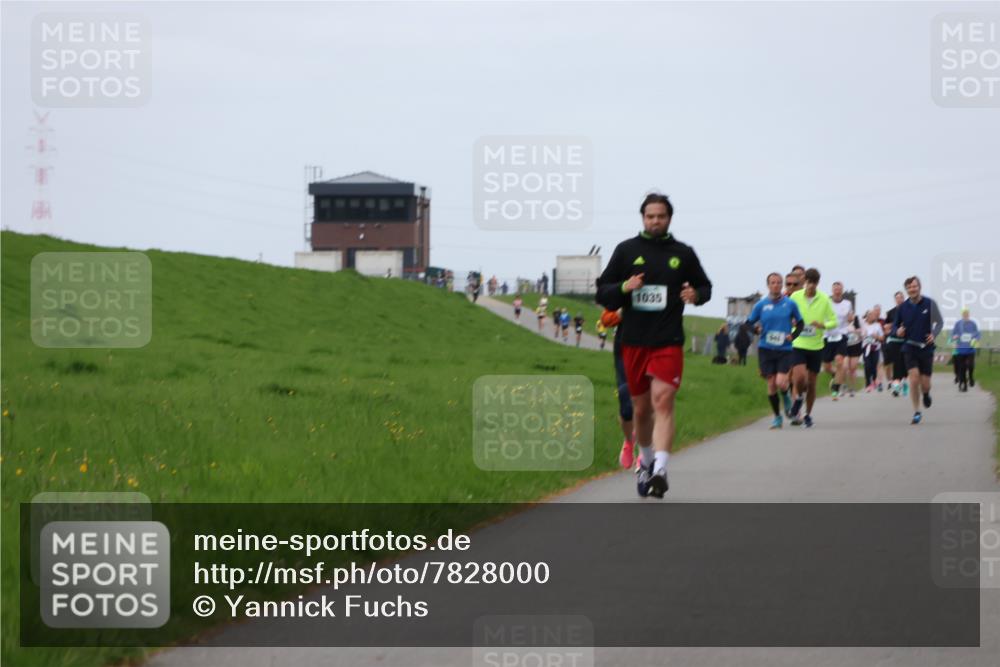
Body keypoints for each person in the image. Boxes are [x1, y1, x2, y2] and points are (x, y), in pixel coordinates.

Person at [596, 192, 712, 498]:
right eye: (650, 216)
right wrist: (625, 286)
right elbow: (603, 292)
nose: (655, 221)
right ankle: (645, 463)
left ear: (669, 218)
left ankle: (660, 468)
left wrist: (695, 296)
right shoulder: (626, 251)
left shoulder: (683, 254)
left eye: (661, 216)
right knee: (641, 409)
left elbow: (705, 286)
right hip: (633, 341)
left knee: (663, 400)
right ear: (643, 218)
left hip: (668, 340)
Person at [746, 272, 803, 429]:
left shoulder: (790, 304)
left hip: (784, 349)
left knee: (781, 382)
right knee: (771, 384)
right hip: (766, 349)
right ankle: (777, 417)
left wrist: (794, 335)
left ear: (782, 285)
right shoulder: (761, 305)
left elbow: (801, 323)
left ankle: (786, 400)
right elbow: (748, 324)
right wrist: (756, 330)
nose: (776, 285)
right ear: (768, 285)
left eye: (779, 282)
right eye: (773, 282)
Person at [788, 268, 838, 427]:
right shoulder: (795, 297)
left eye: (813, 283)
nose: (810, 286)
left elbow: (833, 321)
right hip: (798, 343)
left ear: (817, 283)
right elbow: (787, 314)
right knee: (799, 377)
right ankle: (798, 404)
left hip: (816, 346)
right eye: (808, 282)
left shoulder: (824, 299)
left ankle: (808, 414)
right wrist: (792, 322)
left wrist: (822, 325)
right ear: (804, 281)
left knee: (811, 382)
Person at [891, 276, 943, 424]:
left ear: (919, 287)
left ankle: (926, 394)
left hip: (926, 348)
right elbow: (895, 326)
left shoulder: (929, 303)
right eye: (909, 287)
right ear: (906, 290)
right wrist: (897, 331)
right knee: (913, 379)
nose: (912, 289)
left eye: (914, 286)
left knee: (925, 383)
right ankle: (917, 411)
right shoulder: (903, 307)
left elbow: (939, 322)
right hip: (909, 346)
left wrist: (934, 334)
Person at [601, 308, 637, 468]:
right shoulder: (625, 287)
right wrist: (621, 312)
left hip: (652, 348)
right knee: (626, 402)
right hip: (624, 350)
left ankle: (646, 452)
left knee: (650, 399)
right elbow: (606, 320)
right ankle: (629, 441)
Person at [822, 281, 854, 401]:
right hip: (827, 336)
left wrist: (851, 318)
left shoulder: (847, 303)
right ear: (832, 290)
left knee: (840, 361)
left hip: (842, 335)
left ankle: (835, 389)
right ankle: (836, 375)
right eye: (835, 289)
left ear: (842, 290)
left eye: (839, 289)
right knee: (826, 367)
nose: (837, 291)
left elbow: (850, 317)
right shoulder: (827, 302)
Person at [883, 291, 908, 397]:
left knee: (905, 364)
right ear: (895, 300)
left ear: (904, 298)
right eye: (897, 298)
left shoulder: (909, 310)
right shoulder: (891, 312)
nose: (899, 299)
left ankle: (903, 382)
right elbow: (886, 328)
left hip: (906, 341)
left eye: (901, 297)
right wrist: (894, 327)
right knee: (896, 364)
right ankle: (896, 387)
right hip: (894, 341)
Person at [950, 308, 981, 392]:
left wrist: (975, 340)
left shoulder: (973, 324)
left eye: (967, 313)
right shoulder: (958, 324)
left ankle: (971, 376)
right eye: (964, 313)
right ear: (962, 314)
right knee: (962, 368)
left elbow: (978, 334)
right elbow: (953, 334)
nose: (965, 315)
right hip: (960, 350)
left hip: (970, 349)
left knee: (970, 366)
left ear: (969, 314)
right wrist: (954, 337)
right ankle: (964, 385)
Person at [861, 309, 884, 391]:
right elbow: (860, 336)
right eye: (870, 315)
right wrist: (862, 335)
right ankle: (867, 383)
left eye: (873, 315)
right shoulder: (863, 325)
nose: (872, 316)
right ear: (867, 316)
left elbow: (882, 338)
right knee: (867, 365)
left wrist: (877, 337)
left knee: (874, 365)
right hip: (866, 347)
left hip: (875, 348)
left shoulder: (877, 325)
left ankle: (874, 380)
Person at [843, 310, 863, 396]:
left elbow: (862, 334)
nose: (850, 316)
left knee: (853, 368)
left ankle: (852, 388)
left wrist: (855, 331)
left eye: (851, 315)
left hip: (855, 347)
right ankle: (844, 386)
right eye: (848, 315)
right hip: (845, 348)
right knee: (845, 367)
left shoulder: (857, 323)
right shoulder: (843, 324)